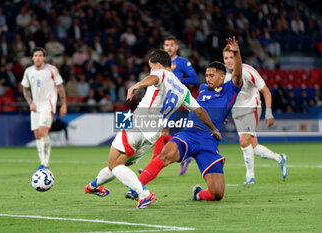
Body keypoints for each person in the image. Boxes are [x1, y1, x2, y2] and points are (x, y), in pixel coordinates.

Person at [84, 49, 221, 209]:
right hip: (154, 133)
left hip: (138, 122)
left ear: (157, 64)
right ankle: (93, 186)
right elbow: (199, 110)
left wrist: (137, 85)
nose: (151, 70)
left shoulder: (161, 73)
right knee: (120, 164)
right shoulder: (183, 90)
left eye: (151, 66)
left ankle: (144, 194)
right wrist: (214, 129)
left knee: (114, 164)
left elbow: (154, 77)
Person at [126, 37, 242, 202]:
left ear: (223, 77)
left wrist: (236, 53)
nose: (207, 79)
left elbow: (237, 74)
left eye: (212, 76)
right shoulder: (202, 88)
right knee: (166, 154)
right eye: (207, 75)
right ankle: (136, 188)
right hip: (189, 133)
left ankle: (198, 194)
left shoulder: (230, 89)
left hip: (208, 141)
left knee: (217, 193)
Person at [223, 48, 287, 185]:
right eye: (225, 58)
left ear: (237, 58)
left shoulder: (249, 71)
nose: (228, 61)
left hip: (252, 108)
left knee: (243, 141)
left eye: (231, 57)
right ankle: (280, 158)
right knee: (254, 147)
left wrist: (269, 112)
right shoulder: (223, 75)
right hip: (237, 112)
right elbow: (225, 98)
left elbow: (266, 91)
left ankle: (250, 177)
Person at [150, 36, 200, 176]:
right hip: (160, 99)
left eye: (171, 45)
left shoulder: (183, 62)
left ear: (176, 47)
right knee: (164, 133)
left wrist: (179, 79)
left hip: (173, 101)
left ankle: (153, 163)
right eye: (166, 45)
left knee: (160, 131)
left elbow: (195, 79)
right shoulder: (160, 63)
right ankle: (187, 155)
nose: (169, 47)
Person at [21, 47, 67, 170]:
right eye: (35, 55)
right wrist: (30, 102)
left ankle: (45, 164)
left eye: (40, 55)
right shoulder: (28, 71)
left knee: (42, 132)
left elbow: (60, 87)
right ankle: (42, 162)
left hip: (48, 105)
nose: (38, 58)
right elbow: (24, 88)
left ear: (44, 58)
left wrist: (63, 104)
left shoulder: (52, 70)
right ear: (32, 58)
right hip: (36, 106)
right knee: (37, 135)